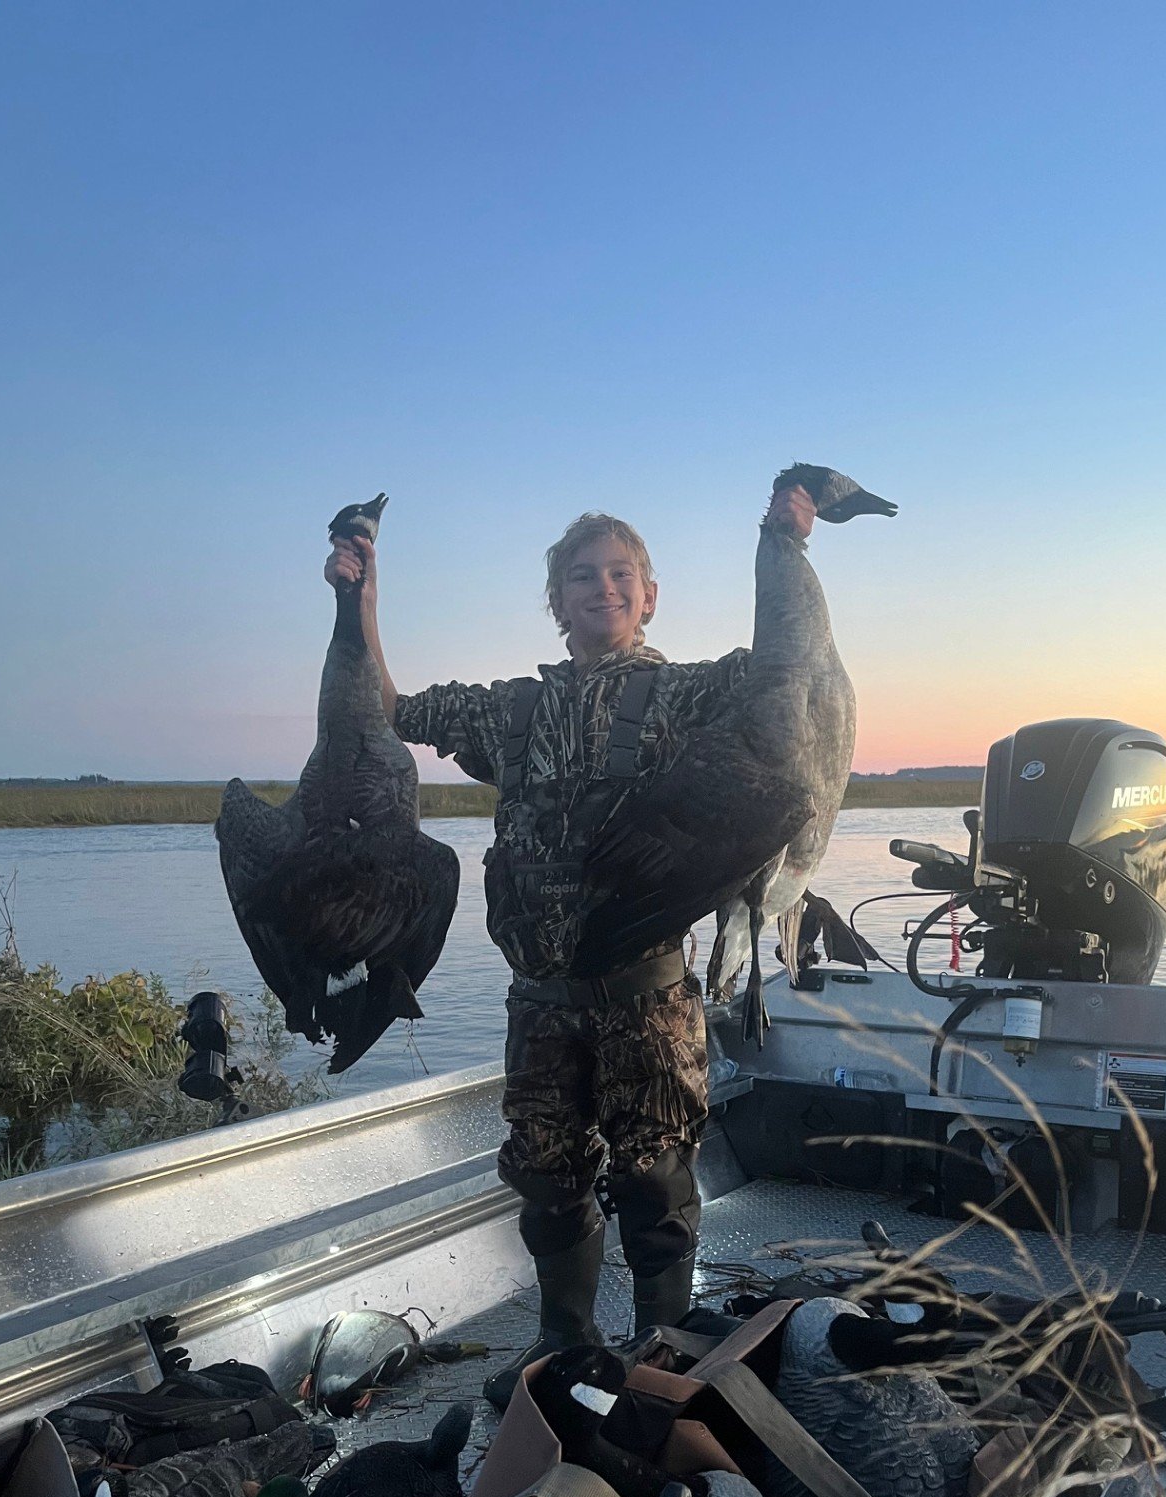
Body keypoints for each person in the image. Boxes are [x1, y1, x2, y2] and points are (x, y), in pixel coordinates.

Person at [327, 481, 816, 1409]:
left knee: (654, 1175)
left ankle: (662, 1351)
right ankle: (564, 1343)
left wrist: (782, 541)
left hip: (648, 992)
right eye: (583, 577)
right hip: (540, 999)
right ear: (557, 602)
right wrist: (358, 596)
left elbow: (788, 671)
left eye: (622, 574)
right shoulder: (505, 711)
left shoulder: (691, 691)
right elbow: (387, 708)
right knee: (547, 1175)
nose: (604, 588)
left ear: (650, 596)